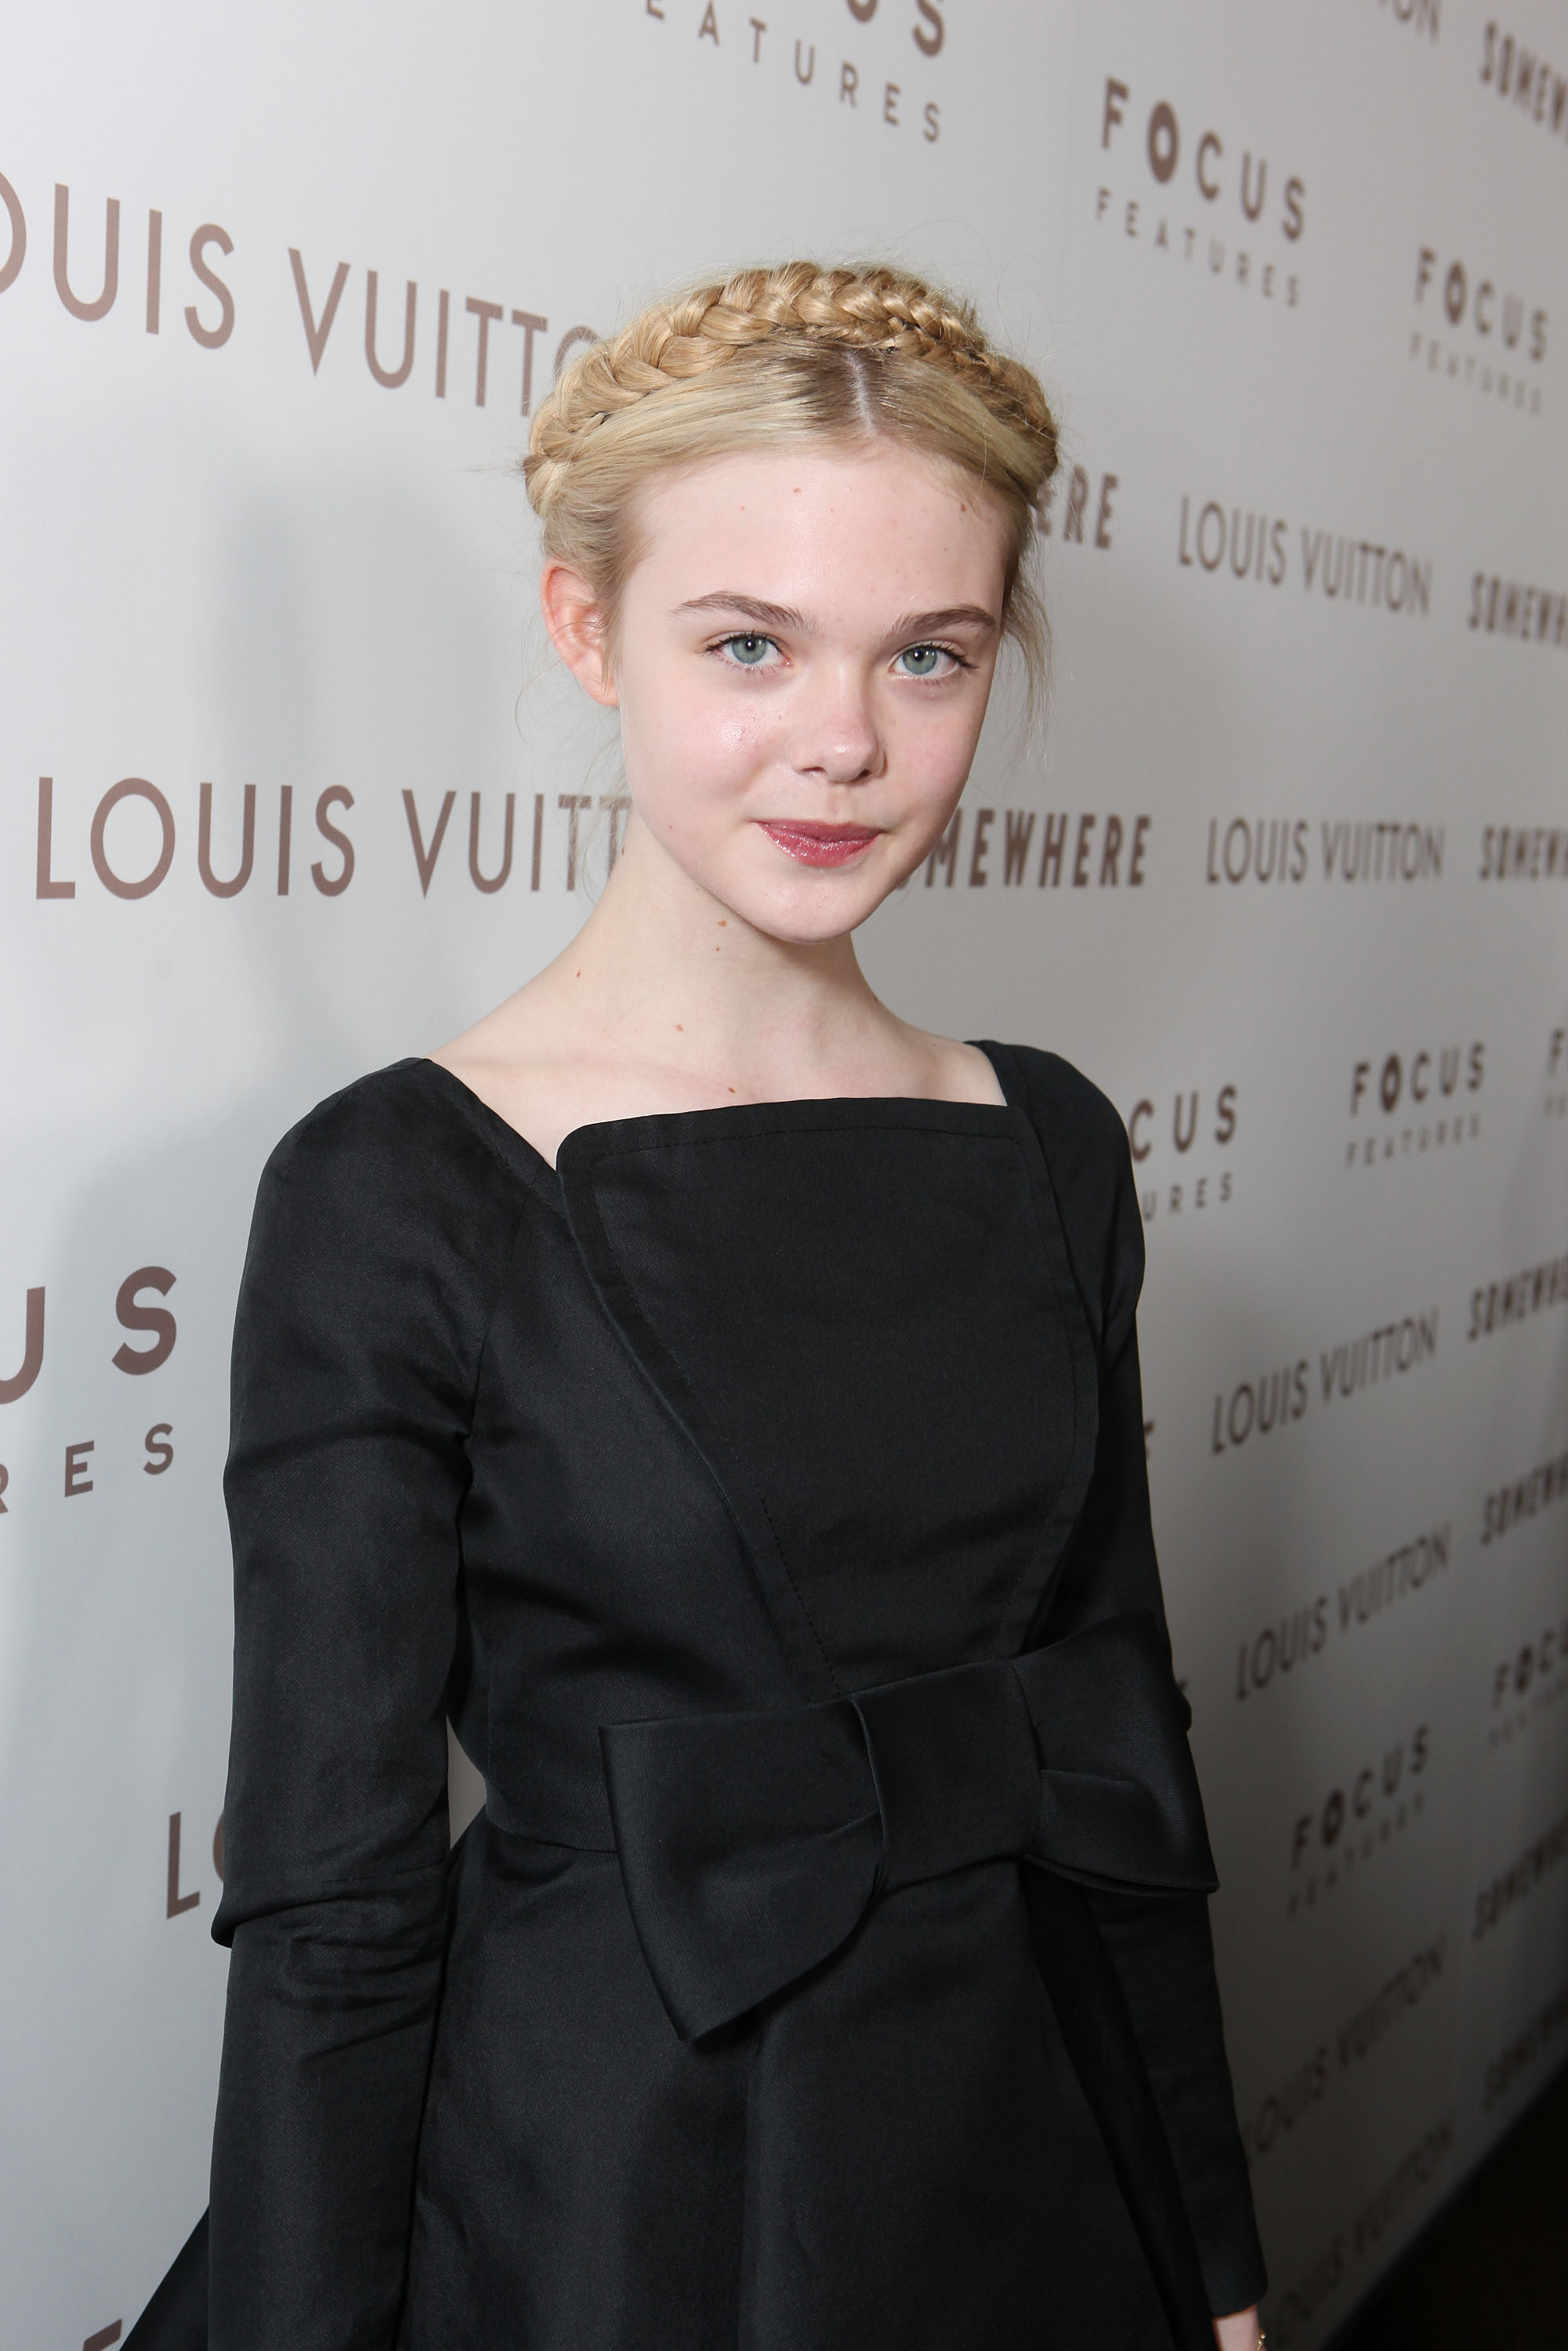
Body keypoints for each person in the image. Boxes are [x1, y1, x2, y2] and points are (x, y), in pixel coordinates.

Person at [132, 262, 1266, 2351]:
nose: (844, 743)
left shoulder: (1049, 1143)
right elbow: (331, 1906)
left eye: (927, 657)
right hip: (602, 2204)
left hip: (1018, 2166)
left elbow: (1119, 1762)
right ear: (589, 632)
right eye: (750, 643)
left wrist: (1215, 2271)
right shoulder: (395, 1191)